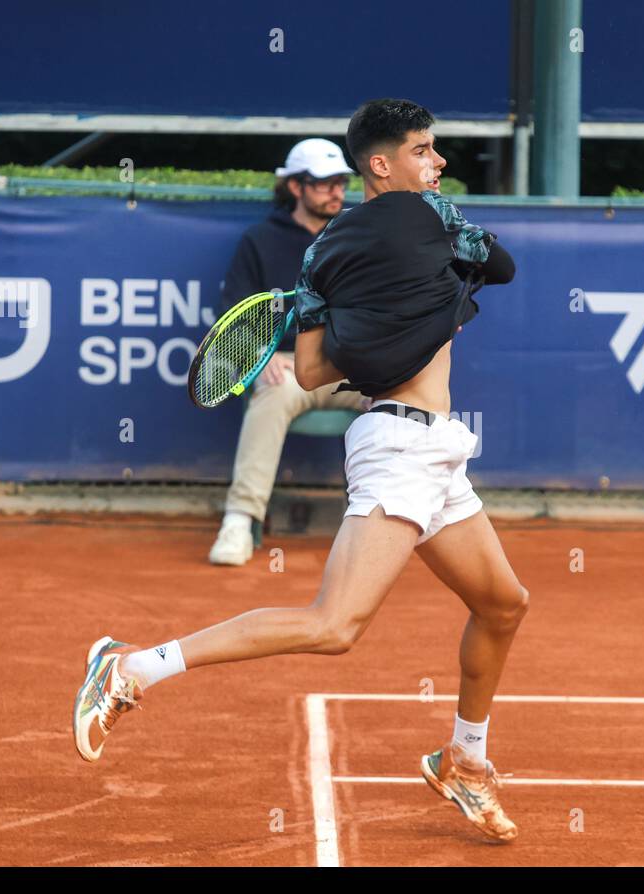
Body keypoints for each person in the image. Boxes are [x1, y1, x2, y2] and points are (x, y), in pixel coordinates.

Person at [74, 99, 527, 843]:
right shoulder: (439, 219)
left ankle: (465, 761)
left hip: (434, 445)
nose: (438, 163)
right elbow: (502, 266)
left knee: (504, 604)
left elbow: (313, 368)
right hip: (399, 450)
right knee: (333, 625)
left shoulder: (323, 257)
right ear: (382, 165)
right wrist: (413, 288)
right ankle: (130, 668)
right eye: (424, 150)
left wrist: (347, 313)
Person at [209, 138, 369, 566]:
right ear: (295, 187)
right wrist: (262, 356)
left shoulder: (358, 236)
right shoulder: (259, 240)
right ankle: (240, 520)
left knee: (401, 398)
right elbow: (235, 317)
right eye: (323, 184)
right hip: (288, 372)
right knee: (271, 395)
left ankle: (389, 523)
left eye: (340, 182)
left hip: (350, 371)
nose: (336, 191)